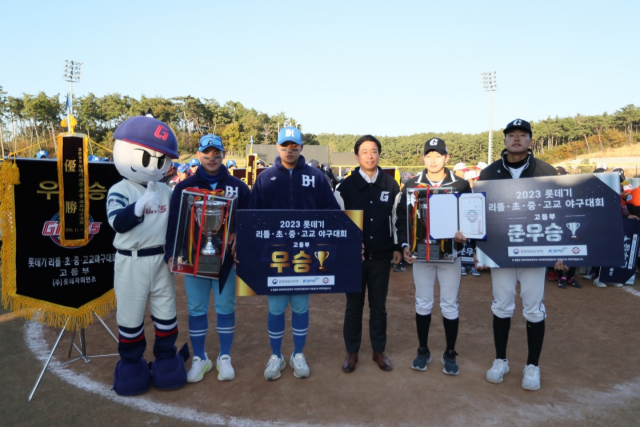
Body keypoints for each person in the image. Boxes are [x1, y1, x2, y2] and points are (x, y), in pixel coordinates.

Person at [248, 126, 339, 381]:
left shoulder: (316, 176)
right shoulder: (265, 178)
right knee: (276, 307)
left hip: (305, 254)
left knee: (300, 305)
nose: (290, 150)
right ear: (278, 147)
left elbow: (331, 212)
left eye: (294, 146)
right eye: (285, 146)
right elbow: (253, 217)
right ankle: (275, 355)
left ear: (302, 148)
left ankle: (298, 353)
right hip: (274, 253)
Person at [476, 118, 558, 391]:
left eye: (522, 134)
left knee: (533, 309)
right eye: (512, 134)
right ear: (505, 140)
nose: (517, 138)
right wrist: (481, 252)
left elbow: (559, 212)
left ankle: (532, 365)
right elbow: (479, 214)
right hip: (501, 252)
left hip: (535, 250)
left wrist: (560, 250)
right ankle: (501, 360)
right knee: (502, 306)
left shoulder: (546, 170)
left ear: (530, 141)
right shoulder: (488, 173)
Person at [107, 116, 185, 395]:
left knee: (166, 312)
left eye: (161, 160)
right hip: (131, 260)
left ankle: (165, 358)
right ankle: (131, 363)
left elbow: (178, 223)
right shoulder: (120, 190)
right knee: (130, 313)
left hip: (162, 261)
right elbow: (117, 222)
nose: (154, 165)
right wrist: (138, 208)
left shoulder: (166, 190)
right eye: (145, 156)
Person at [165, 134, 251, 383]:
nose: (211, 158)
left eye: (216, 153)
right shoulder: (184, 187)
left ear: (224, 154)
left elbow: (250, 220)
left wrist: (240, 234)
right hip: (193, 258)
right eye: (206, 153)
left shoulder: (239, 186)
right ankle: (200, 358)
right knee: (196, 308)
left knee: (225, 307)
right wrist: (171, 253)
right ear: (198, 154)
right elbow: (174, 223)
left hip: (225, 260)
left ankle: (224, 356)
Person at [396, 138, 471, 376]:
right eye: (429, 155)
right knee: (423, 302)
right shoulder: (410, 185)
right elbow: (401, 220)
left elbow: (468, 217)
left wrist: (464, 236)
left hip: (450, 255)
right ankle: (423, 349)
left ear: (446, 158)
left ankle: (450, 352)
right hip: (421, 255)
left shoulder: (460, 185)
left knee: (449, 305)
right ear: (423, 159)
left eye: (438, 155)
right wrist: (405, 244)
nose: (433, 160)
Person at [334, 135, 402, 373]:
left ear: (379, 154)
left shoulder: (391, 184)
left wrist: (396, 247)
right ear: (356, 156)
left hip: (381, 257)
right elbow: (339, 223)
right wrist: (347, 247)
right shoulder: (344, 186)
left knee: (379, 306)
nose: (370, 156)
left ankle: (378, 350)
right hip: (354, 259)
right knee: (353, 306)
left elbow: (395, 220)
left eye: (374, 151)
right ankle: (352, 352)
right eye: (365, 152)